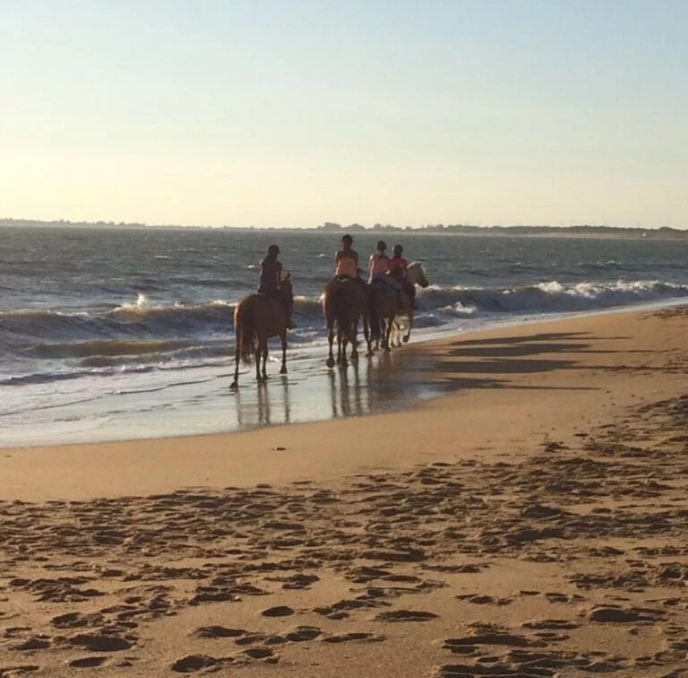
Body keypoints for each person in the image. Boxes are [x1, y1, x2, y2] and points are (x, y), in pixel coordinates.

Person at [258, 244, 296, 329]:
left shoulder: (263, 262)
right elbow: (278, 281)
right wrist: (285, 280)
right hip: (271, 290)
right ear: (275, 253)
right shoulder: (278, 265)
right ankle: (287, 321)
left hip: (261, 289)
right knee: (288, 300)